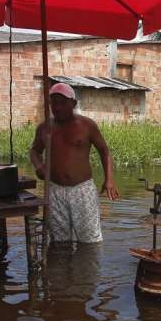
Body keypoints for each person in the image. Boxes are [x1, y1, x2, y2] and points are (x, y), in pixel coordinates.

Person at [30, 83, 119, 246]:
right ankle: (63, 271)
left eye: (62, 103)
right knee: (59, 242)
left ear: (73, 104)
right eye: (53, 103)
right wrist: (39, 166)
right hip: (55, 190)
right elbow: (34, 151)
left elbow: (104, 151)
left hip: (82, 190)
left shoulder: (86, 125)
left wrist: (109, 180)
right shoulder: (44, 128)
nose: (57, 107)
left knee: (90, 241)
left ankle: (87, 271)